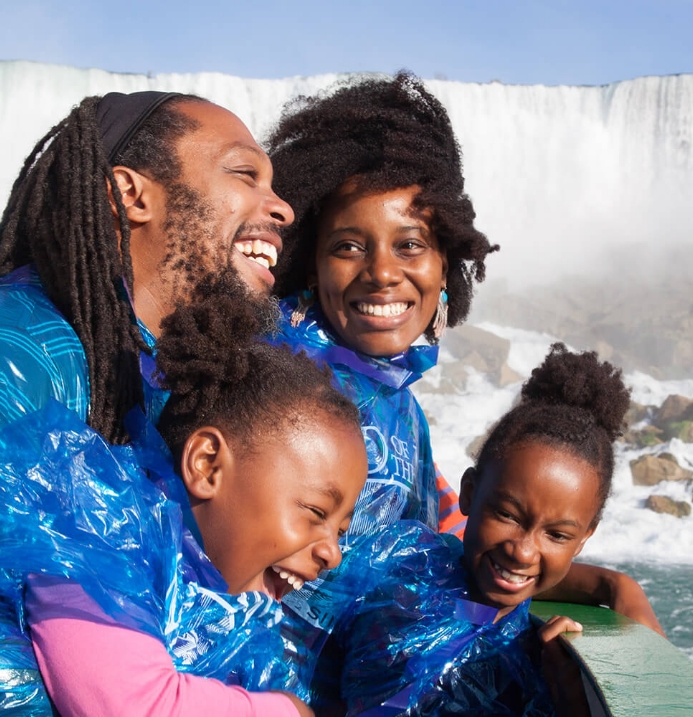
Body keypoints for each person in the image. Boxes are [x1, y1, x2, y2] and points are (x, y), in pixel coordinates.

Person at [0, 90, 294, 713]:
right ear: (130, 194)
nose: (281, 208)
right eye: (245, 174)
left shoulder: (110, 367)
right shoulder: (17, 361)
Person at [264, 72, 661, 703]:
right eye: (347, 246)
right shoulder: (275, 389)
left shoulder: (400, 408)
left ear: (445, 265)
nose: (383, 273)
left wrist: (605, 587)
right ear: (309, 262)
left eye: (411, 245)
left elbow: (452, 550)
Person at [0, 277, 368, 717]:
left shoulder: (227, 611)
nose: (333, 553)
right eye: (316, 512)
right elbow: (132, 705)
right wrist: (287, 712)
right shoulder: (99, 537)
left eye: (340, 530)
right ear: (207, 465)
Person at [332, 343, 629, 715]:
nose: (522, 551)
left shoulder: (538, 659)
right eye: (507, 515)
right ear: (469, 493)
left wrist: (570, 696)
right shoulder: (401, 567)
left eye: (557, 535)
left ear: (585, 538)